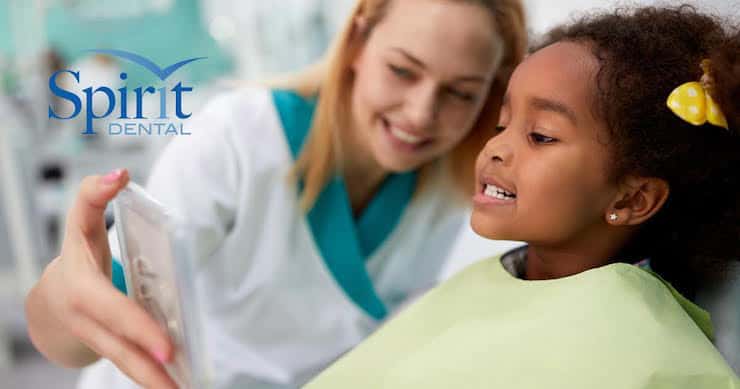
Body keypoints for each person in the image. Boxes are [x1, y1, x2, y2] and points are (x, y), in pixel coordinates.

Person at [24, 0, 527, 388]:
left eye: (461, 93)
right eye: (402, 71)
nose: (421, 113)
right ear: (356, 42)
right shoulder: (238, 139)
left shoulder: (448, 188)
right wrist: (61, 299)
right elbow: (86, 322)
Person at [305, 5, 740, 388]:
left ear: (632, 200)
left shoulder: (652, 359)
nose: (495, 148)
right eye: (501, 125)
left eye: (540, 136)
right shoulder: (481, 283)